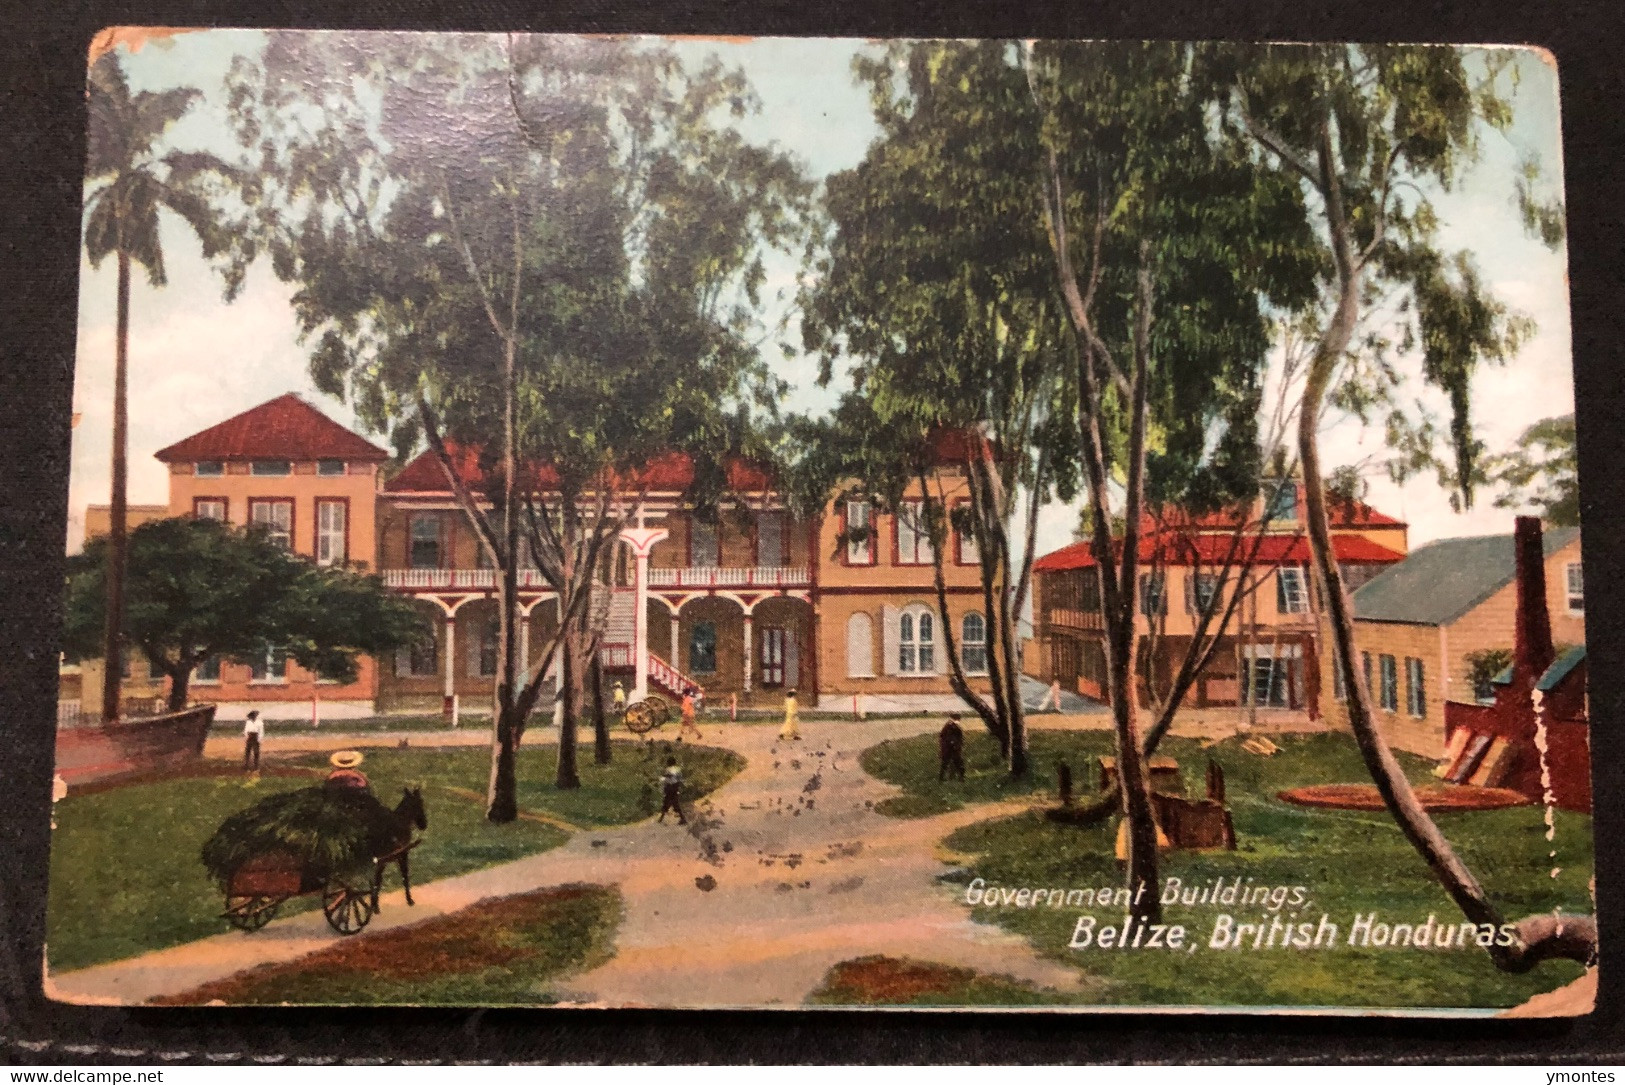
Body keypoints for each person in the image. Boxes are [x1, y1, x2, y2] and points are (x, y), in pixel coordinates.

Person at [657, 756, 687, 824]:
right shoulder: (678, 769)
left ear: (669, 763)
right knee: (675, 803)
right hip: (675, 787)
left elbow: (666, 780)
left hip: (669, 788)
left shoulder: (667, 769)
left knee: (666, 802)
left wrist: (661, 783)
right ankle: (682, 818)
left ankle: (661, 818)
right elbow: (680, 779)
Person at [938, 713, 966, 781]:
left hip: (947, 748)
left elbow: (943, 736)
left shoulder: (948, 725)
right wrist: (956, 745)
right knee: (958, 763)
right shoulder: (952, 726)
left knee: (945, 764)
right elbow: (952, 738)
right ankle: (961, 778)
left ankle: (942, 778)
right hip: (952, 749)